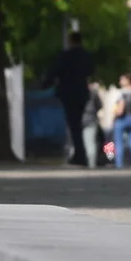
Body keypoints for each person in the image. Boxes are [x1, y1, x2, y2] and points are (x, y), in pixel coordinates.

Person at [44, 31, 95, 166]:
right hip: (82, 93)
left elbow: (55, 71)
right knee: (76, 123)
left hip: (68, 93)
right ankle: (80, 154)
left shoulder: (66, 56)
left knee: (73, 125)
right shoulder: (86, 56)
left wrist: (46, 84)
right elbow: (91, 70)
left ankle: (80, 155)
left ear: (71, 41)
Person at [112, 73, 131, 169]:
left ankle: (119, 165)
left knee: (119, 143)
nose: (120, 82)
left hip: (121, 120)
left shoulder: (123, 93)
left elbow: (121, 109)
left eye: (122, 80)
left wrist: (115, 114)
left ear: (128, 80)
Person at [81, 82, 104, 169]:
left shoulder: (75, 91)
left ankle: (84, 163)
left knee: (79, 143)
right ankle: (91, 164)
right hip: (91, 119)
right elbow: (100, 105)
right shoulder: (93, 92)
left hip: (79, 120)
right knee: (90, 143)